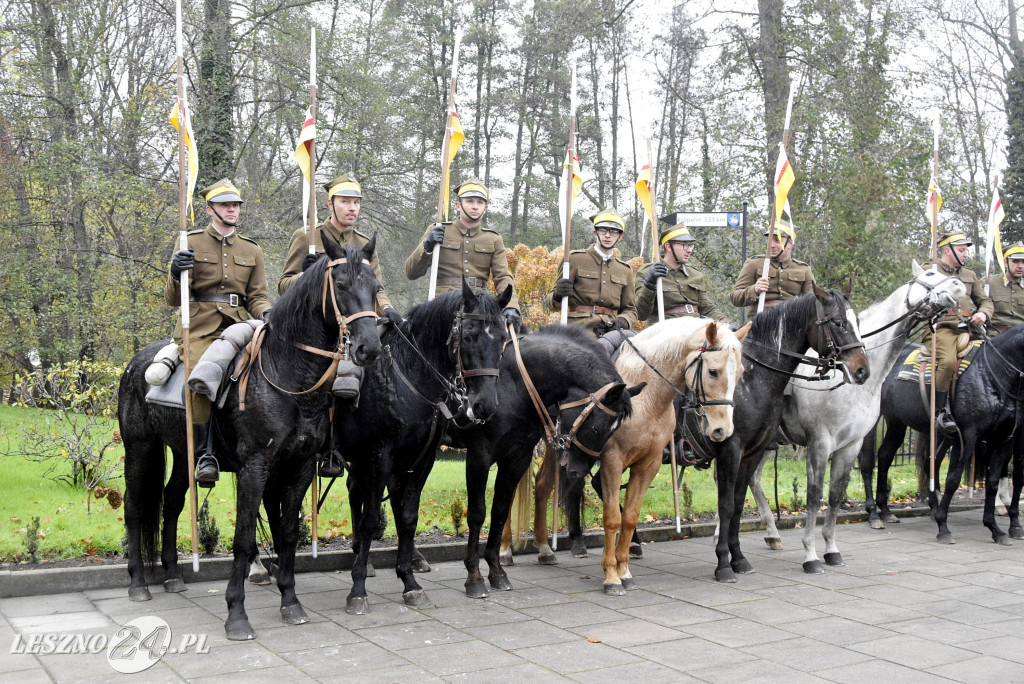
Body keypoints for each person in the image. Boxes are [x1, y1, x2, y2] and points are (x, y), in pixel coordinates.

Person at [166, 179, 272, 487]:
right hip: (200, 328)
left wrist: (267, 314)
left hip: (239, 325)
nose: (232, 209)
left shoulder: (251, 249)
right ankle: (204, 454)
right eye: (226, 204)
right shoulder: (190, 242)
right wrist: (176, 273)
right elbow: (174, 299)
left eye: (236, 205)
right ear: (210, 209)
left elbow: (257, 296)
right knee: (201, 376)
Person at [404, 178, 520, 328]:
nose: (475, 206)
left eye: (480, 202)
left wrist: (511, 306)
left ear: (485, 208)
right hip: (441, 306)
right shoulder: (438, 229)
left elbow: (502, 276)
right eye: (470, 201)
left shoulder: (493, 239)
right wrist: (427, 246)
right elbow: (411, 273)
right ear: (459, 206)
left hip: (477, 308)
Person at [278, 172, 393, 314]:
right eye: (345, 201)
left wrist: (387, 308)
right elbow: (283, 287)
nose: (352, 208)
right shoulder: (307, 237)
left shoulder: (365, 244)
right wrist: (304, 276)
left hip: (354, 321)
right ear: (330, 204)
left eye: (356, 202)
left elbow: (377, 288)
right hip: (312, 321)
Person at [923, 231, 993, 434]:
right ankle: (939, 413)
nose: (965, 254)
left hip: (969, 329)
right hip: (940, 328)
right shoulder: (930, 271)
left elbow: (985, 301)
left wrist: (983, 314)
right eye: (961, 250)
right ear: (947, 250)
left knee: (991, 357)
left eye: (966, 250)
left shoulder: (969, 275)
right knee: (946, 362)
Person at [544, 209, 638, 335]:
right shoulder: (574, 259)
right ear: (595, 233)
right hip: (578, 329)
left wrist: (623, 321)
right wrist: (557, 295)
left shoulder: (625, 270)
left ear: (620, 236)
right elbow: (549, 304)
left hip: (611, 329)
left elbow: (630, 309)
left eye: (613, 232)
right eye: (603, 230)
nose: (608, 235)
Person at [635, 221, 728, 323]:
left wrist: (726, 323)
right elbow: (641, 314)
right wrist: (650, 284)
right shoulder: (647, 272)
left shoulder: (695, 274)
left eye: (690, 246)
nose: (689, 250)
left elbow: (707, 309)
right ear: (668, 247)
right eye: (684, 245)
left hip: (695, 327)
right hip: (666, 329)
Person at [730, 218, 814, 318]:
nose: (772, 245)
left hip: (792, 321)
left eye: (777, 241)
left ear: (790, 243)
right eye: (770, 240)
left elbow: (813, 303)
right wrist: (754, 290)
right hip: (760, 319)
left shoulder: (804, 269)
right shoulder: (754, 263)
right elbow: (735, 298)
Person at [985, 242, 1024, 334]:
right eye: (1015, 261)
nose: (1020, 266)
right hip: (994, 337)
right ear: (1005, 262)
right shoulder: (988, 283)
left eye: (1023, 262)